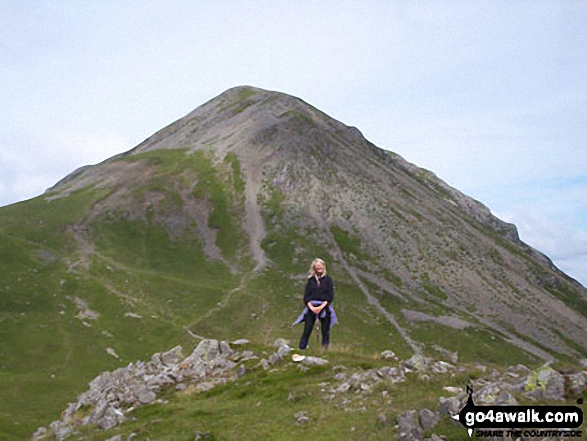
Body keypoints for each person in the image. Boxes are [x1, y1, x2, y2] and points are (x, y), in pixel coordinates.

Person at [295, 258, 336, 350]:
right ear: (314, 268)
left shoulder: (328, 280)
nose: (319, 268)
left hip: (325, 308)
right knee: (307, 329)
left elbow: (330, 296)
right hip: (311, 308)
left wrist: (321, 307)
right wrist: (312, 308)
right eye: (317, 266)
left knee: (325, 331)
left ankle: (324, 351)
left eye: (321, 265)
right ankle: (301, 349)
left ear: (324, 267)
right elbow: (306, 296)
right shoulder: (310, 281)